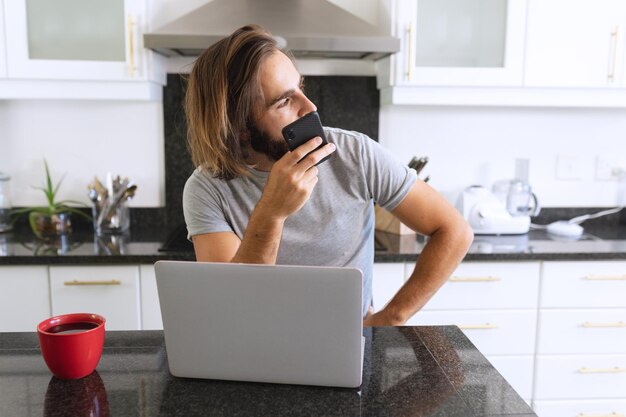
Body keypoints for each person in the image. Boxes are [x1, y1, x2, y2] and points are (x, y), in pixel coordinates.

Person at [182, 24, 473, 326]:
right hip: (260, 342)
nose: (310, 107)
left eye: (301, 88)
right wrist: (271, 213)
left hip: (350, 342)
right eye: (284, 101)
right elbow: (236, 307)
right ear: (239, 128)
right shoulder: (206, 189)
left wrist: (391, 318)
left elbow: (454, 230)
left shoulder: (355, 153)